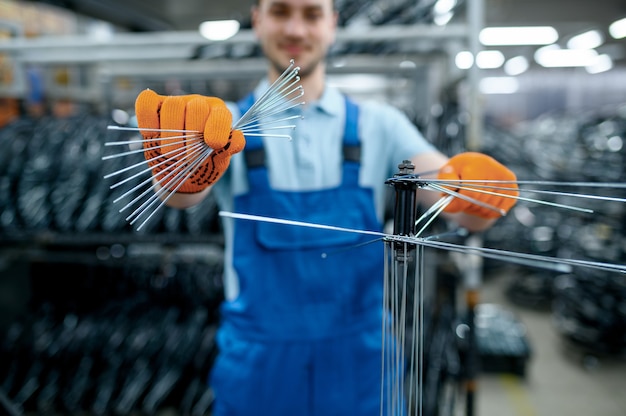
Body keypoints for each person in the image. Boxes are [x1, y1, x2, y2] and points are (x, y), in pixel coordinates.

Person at [133, 0, 519, 414]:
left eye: (312, 14)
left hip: (359, 363)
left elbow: (449, 195)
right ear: (258, 21)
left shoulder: (381, 125)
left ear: (332, 25)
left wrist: (475, 195)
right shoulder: (224, 127)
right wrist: (184, 162)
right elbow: (180, 196)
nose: (296, 29)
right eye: (281, 12)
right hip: (261, 365)